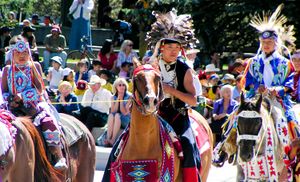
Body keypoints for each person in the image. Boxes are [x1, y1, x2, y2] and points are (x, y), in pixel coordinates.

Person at [1, 36, 67, 170]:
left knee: (48, 120)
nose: (21, 56)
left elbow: (40, 88)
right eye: (18, 53)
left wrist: (22, 96)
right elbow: (4, 91)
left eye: (25, 53)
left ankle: (58, 155)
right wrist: (10, 99)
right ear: (12, 54)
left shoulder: (34, 66)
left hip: (33, 104)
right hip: (11, 106)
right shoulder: (7, 69)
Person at [105, 78, 131, 146]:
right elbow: (113, 111)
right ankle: (108, 139)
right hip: (117, 119)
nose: (122, 87)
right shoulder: (113, 97)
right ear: (116, 87)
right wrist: (118, 100)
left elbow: (125, 112)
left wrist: (121, 100)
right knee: (111, 115)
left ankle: (113, 139)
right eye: (119, 85)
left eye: (123, 85)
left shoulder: (130, 97)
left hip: (127, 120)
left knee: (117, 116)